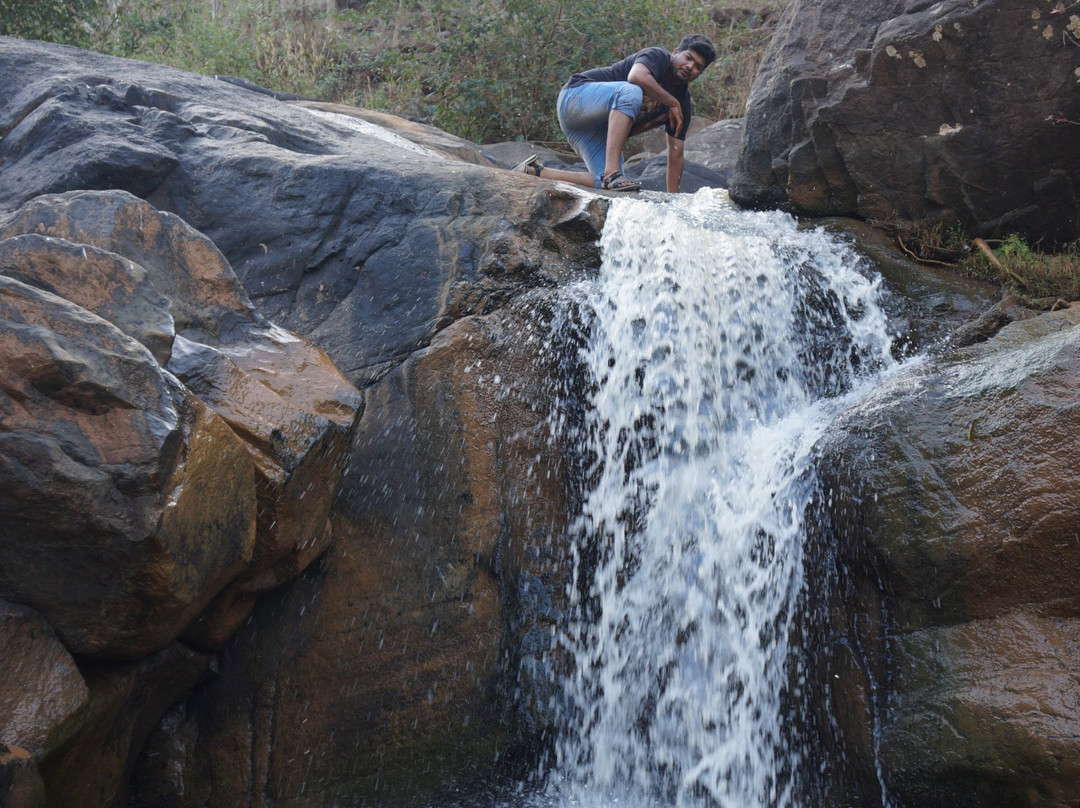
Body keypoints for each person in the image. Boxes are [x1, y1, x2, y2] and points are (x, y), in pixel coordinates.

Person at [513, 34, 715, 193]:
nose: (690, 67)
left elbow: (676, 152)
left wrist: (674, 200)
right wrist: (670, 102)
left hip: (593, 131)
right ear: (675, 52)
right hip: (575, 99)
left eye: (698, 67)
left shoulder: (682, 103)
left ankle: (536, 171)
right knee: (631, 90)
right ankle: (612, 172)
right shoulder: (657, 57)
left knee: (609, 185)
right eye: (688, 58)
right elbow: (635, 76)